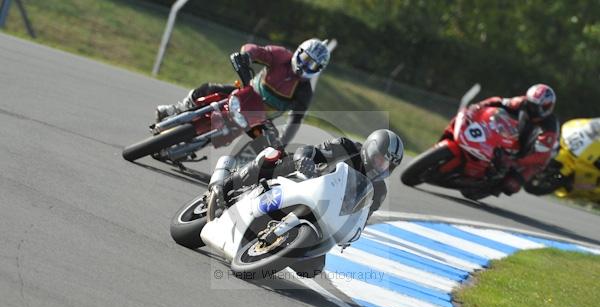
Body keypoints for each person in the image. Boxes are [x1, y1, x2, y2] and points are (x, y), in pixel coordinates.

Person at [156, 38, 331, 146]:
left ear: (319, 69)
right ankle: (175, 109)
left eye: (312, 64)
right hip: (245, 92)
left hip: (260, 120)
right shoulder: (281, 55)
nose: (305, 65)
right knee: (210, 89)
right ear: (299, 51)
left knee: (268, 151)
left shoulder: (304, 91)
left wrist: (282, 144)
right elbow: (256, 50)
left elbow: (295, 120)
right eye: (306, 58)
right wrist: (246, 56)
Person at [213, 129, 404, 216]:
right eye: (380, 159)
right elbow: (312, 150)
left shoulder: (379, 191)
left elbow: (361, 220)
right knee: (275, 156)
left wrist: (351, 234)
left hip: (323, 212)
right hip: (305, 180)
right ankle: (227, 184)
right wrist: (304, 160)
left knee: (312, 267)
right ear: (371, 149)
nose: (381, 166)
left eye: (387, 165)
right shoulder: (347, 147)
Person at [444, 83, 559, 195]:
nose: (534, 110)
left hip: (531, 157)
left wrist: (515, 161)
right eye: (532, 104)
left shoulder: (550, 126)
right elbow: (498, 101)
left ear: (549, 107)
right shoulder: (522, 102)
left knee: (511, 185)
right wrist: (479, 106)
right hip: (515, 139)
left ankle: (491, 187)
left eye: (540, 107)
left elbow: (541, 156)